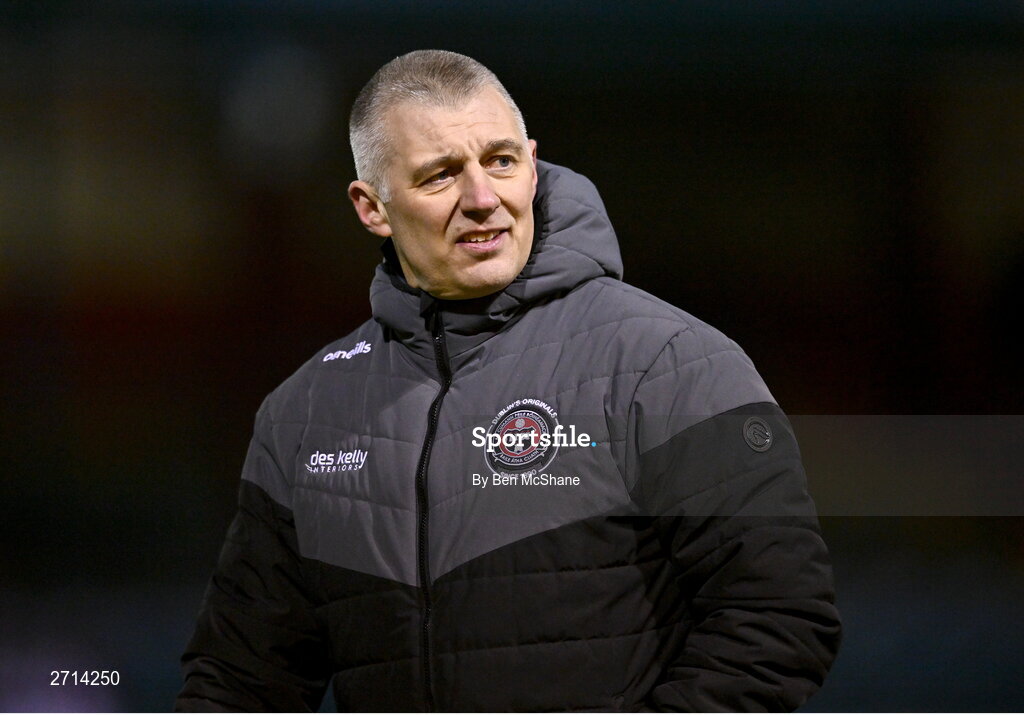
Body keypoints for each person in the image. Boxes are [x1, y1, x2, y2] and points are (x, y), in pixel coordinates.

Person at [176, 49, 841, 712]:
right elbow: (239, 681)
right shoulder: (305, 413)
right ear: (371, 206)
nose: (482, 199)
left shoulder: (673, 363)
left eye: (500, 161)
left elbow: (777, 619)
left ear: (532, 159)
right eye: (440, 175)